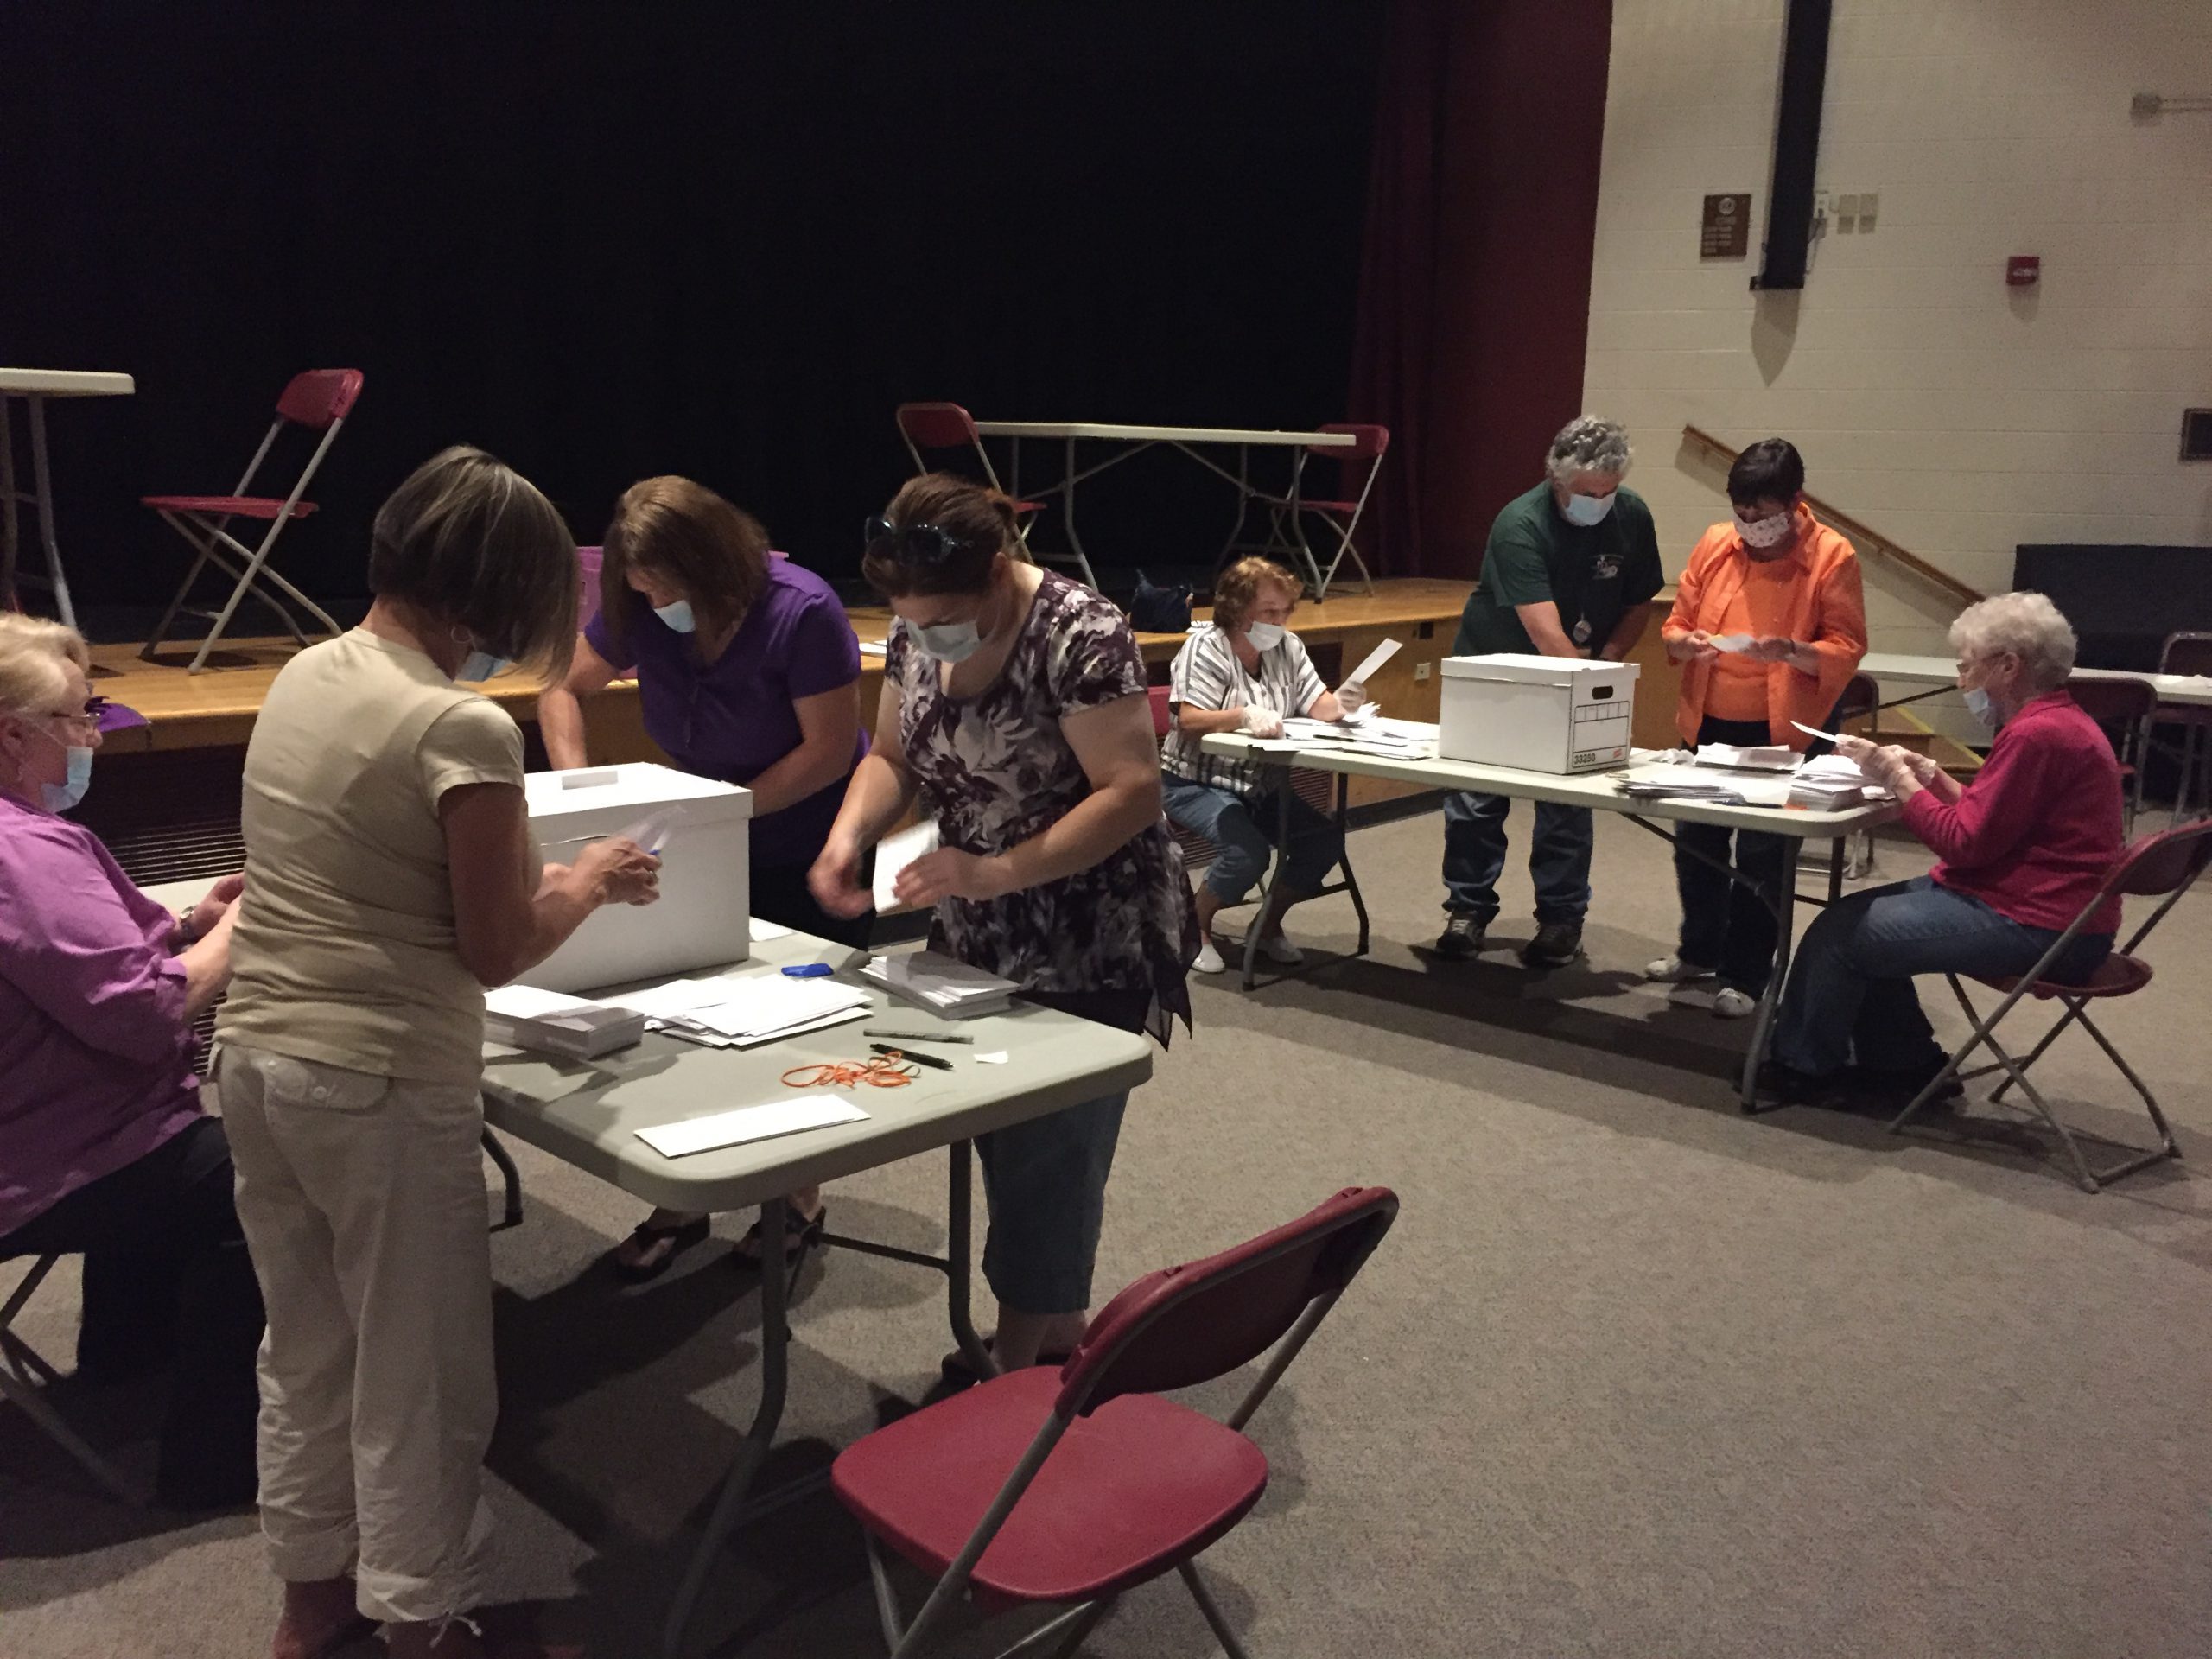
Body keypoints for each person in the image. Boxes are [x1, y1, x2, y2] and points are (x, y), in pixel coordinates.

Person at [215, 446, 662, 1659]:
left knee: (305, 1349)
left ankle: (310, 1611)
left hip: (256, 1057)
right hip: (377, 1077)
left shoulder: (307, 670)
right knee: (422, 1376)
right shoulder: (459, 725)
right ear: (495, 589)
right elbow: (500, 947)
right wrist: (587, 884)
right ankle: (418, 1623)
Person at [808, 473, 1196, 1373]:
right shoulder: (917, 620)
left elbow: (1132, 794)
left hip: (1090, 923)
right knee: (997, 1129)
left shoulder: (1079, 631)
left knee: (1053, 1147)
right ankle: (1054, 1325)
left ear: (996, 573)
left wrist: (997, 870)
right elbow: (894, 754)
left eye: (941, 617)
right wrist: (848, 834)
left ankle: (1020, 1360)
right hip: (979, 922)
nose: (924, 634)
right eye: (909, 618)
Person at [536, 476, 868, 1277]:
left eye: (670, 589)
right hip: (697, 830)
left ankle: (797, 1196)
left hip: (799, 830)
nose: (657, 604)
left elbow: (827, 751)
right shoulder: (640, 606)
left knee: (793, 1021)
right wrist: (580, 793)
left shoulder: (804, 609)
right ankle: (686, 1192)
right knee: (683, 1018)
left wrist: (721, 814)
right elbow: (562, 688)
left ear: (716, 567)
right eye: (644, 591)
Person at [0, 614, 262, 1511]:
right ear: (13, 734)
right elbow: (146, 1016)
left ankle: (125, 1355)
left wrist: (184, 928)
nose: (91, 737)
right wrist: (237, 933)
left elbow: (72, 966)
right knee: (260, 1179)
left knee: (160, 1137)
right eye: (78, 718)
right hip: (32, 1158)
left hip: (38, 1122)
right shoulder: (23, 854)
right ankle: (214, 1465)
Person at [1762, 592, 2121, 1104]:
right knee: (1865, 918)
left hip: (2045, 925)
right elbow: (1991, 817)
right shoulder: (2057, 722)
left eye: (1969, 666)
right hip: (2064, 915)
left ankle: (1803, 1068)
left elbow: (1964, 844)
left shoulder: (2036, 736)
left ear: (2009, 666)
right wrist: (1930, 777)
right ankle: (1904, 1064)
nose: (1962, 681)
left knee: (1841, 934)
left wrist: (1897, 778)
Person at [1434, 416, 1664, 967]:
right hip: (1500, 673)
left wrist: (1608, 665)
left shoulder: (1630, 514)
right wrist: (1590, 679)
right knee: (1474, 803)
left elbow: (1640, 602)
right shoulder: (1520, 523)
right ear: (1556, 481)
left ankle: (1562, 919)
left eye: (1608, 491)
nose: (1600, 502)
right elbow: (1546, 636)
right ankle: (1467, 909)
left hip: (1582, 670)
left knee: (1565, 804)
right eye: (1588, 494)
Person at [1649, 438, 1866, 1017]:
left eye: (1762, 516)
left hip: (1782, 730)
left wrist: (1793, 650)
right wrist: (1683, 642)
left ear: (1794, 501)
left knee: (1764, 855)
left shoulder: (1833, 555)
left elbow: (1846, 645)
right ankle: (1699, 949)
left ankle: (1745, 974)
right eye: (1741, 514)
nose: (1750, 526)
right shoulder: (1717, 544)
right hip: (1709, 719)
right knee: (1696, 844)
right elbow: (1676, 623)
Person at [1160, 556, 1360, 976]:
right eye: (1270, 612)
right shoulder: (1205, 648)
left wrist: (1343, 704)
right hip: (1193, 781)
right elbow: (1189, 719)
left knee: (1323, 842)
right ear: (1237, 608)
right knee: (1245, 853)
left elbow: (1318, 703)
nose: (1280, 620)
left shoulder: (1287, 646)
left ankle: (1266, 928)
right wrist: (1242, 715)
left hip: (1259, 783)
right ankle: (1195, 929)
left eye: (1285, 611)